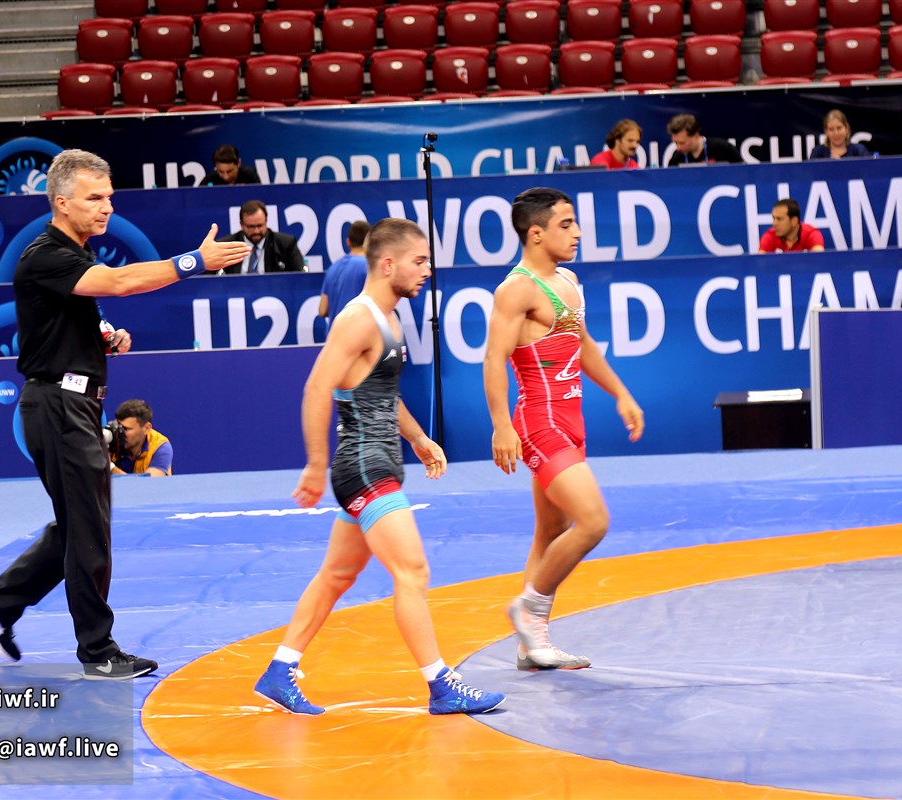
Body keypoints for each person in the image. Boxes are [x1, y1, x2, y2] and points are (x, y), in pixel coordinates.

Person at [0, 149, 250, 680]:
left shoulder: (74, 254)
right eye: (94, 198)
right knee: (89, 531)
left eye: (110, 197)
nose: (107, 208)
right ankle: (97, 652)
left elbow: (72, 319)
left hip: (72, 403)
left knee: (79, 527)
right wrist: (193, 261)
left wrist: (104, 339)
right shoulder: (46, 254)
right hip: (59, 407)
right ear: (61, 202)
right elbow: (120, 283)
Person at [254, 218, 504, 716]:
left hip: (378, 461)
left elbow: (384, 394)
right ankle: (441, 685)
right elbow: (316, 386)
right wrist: (315, 465)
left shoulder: (388, 319)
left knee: (337, 574)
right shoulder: (358, 319)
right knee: (412, 570)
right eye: (419, 261)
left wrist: (419, 439)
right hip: (364, 467)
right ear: (388, 264)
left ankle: (280, 670)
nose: (427, 271)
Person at [483, 187, 644, 670]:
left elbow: (584, 345)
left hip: (572, 421)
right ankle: (528, 608)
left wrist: (620, 393)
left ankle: (530, 647)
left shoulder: (568, 281)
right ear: (536, 234)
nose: (577, 233)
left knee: (551, 531)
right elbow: (494, 358)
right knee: (593, 522)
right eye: (566, 224)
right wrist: (501, 426)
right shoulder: (517, 289)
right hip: (540, 422)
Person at [217, 200, 306, 274]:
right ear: (242, 225)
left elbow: (300, 276)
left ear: (266, 222)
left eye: (260, 226)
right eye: (251, 227)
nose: (256, 231)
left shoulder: (285, 244)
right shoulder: (227, 246)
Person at [318, 219, 371, 319]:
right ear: (370, 242)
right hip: (361, 327)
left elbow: (322, 310)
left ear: (348, 242)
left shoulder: (332, 269)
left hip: (335, 328)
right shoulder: (370, 267)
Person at [109, 398, 173, 477]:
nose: (119, 433)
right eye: (118, 427)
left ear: (146, 428)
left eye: (125, 429)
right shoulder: (110, 439)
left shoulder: (160, 447)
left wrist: (110, 467)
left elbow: (149, 483)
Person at [664, 113, 742, 167]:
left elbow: (743, 173)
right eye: (676, 143)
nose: (678, 148)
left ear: (695, 135)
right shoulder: (676, 158)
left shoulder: (724, 149)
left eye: (682, 143)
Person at [758, 198, 825, 253]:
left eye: (779, 219)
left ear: (794, 221)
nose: (774, 224)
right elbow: (760, 262)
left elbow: (819, 260)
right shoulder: (770, 236)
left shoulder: (811, 235)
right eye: (774, 218)